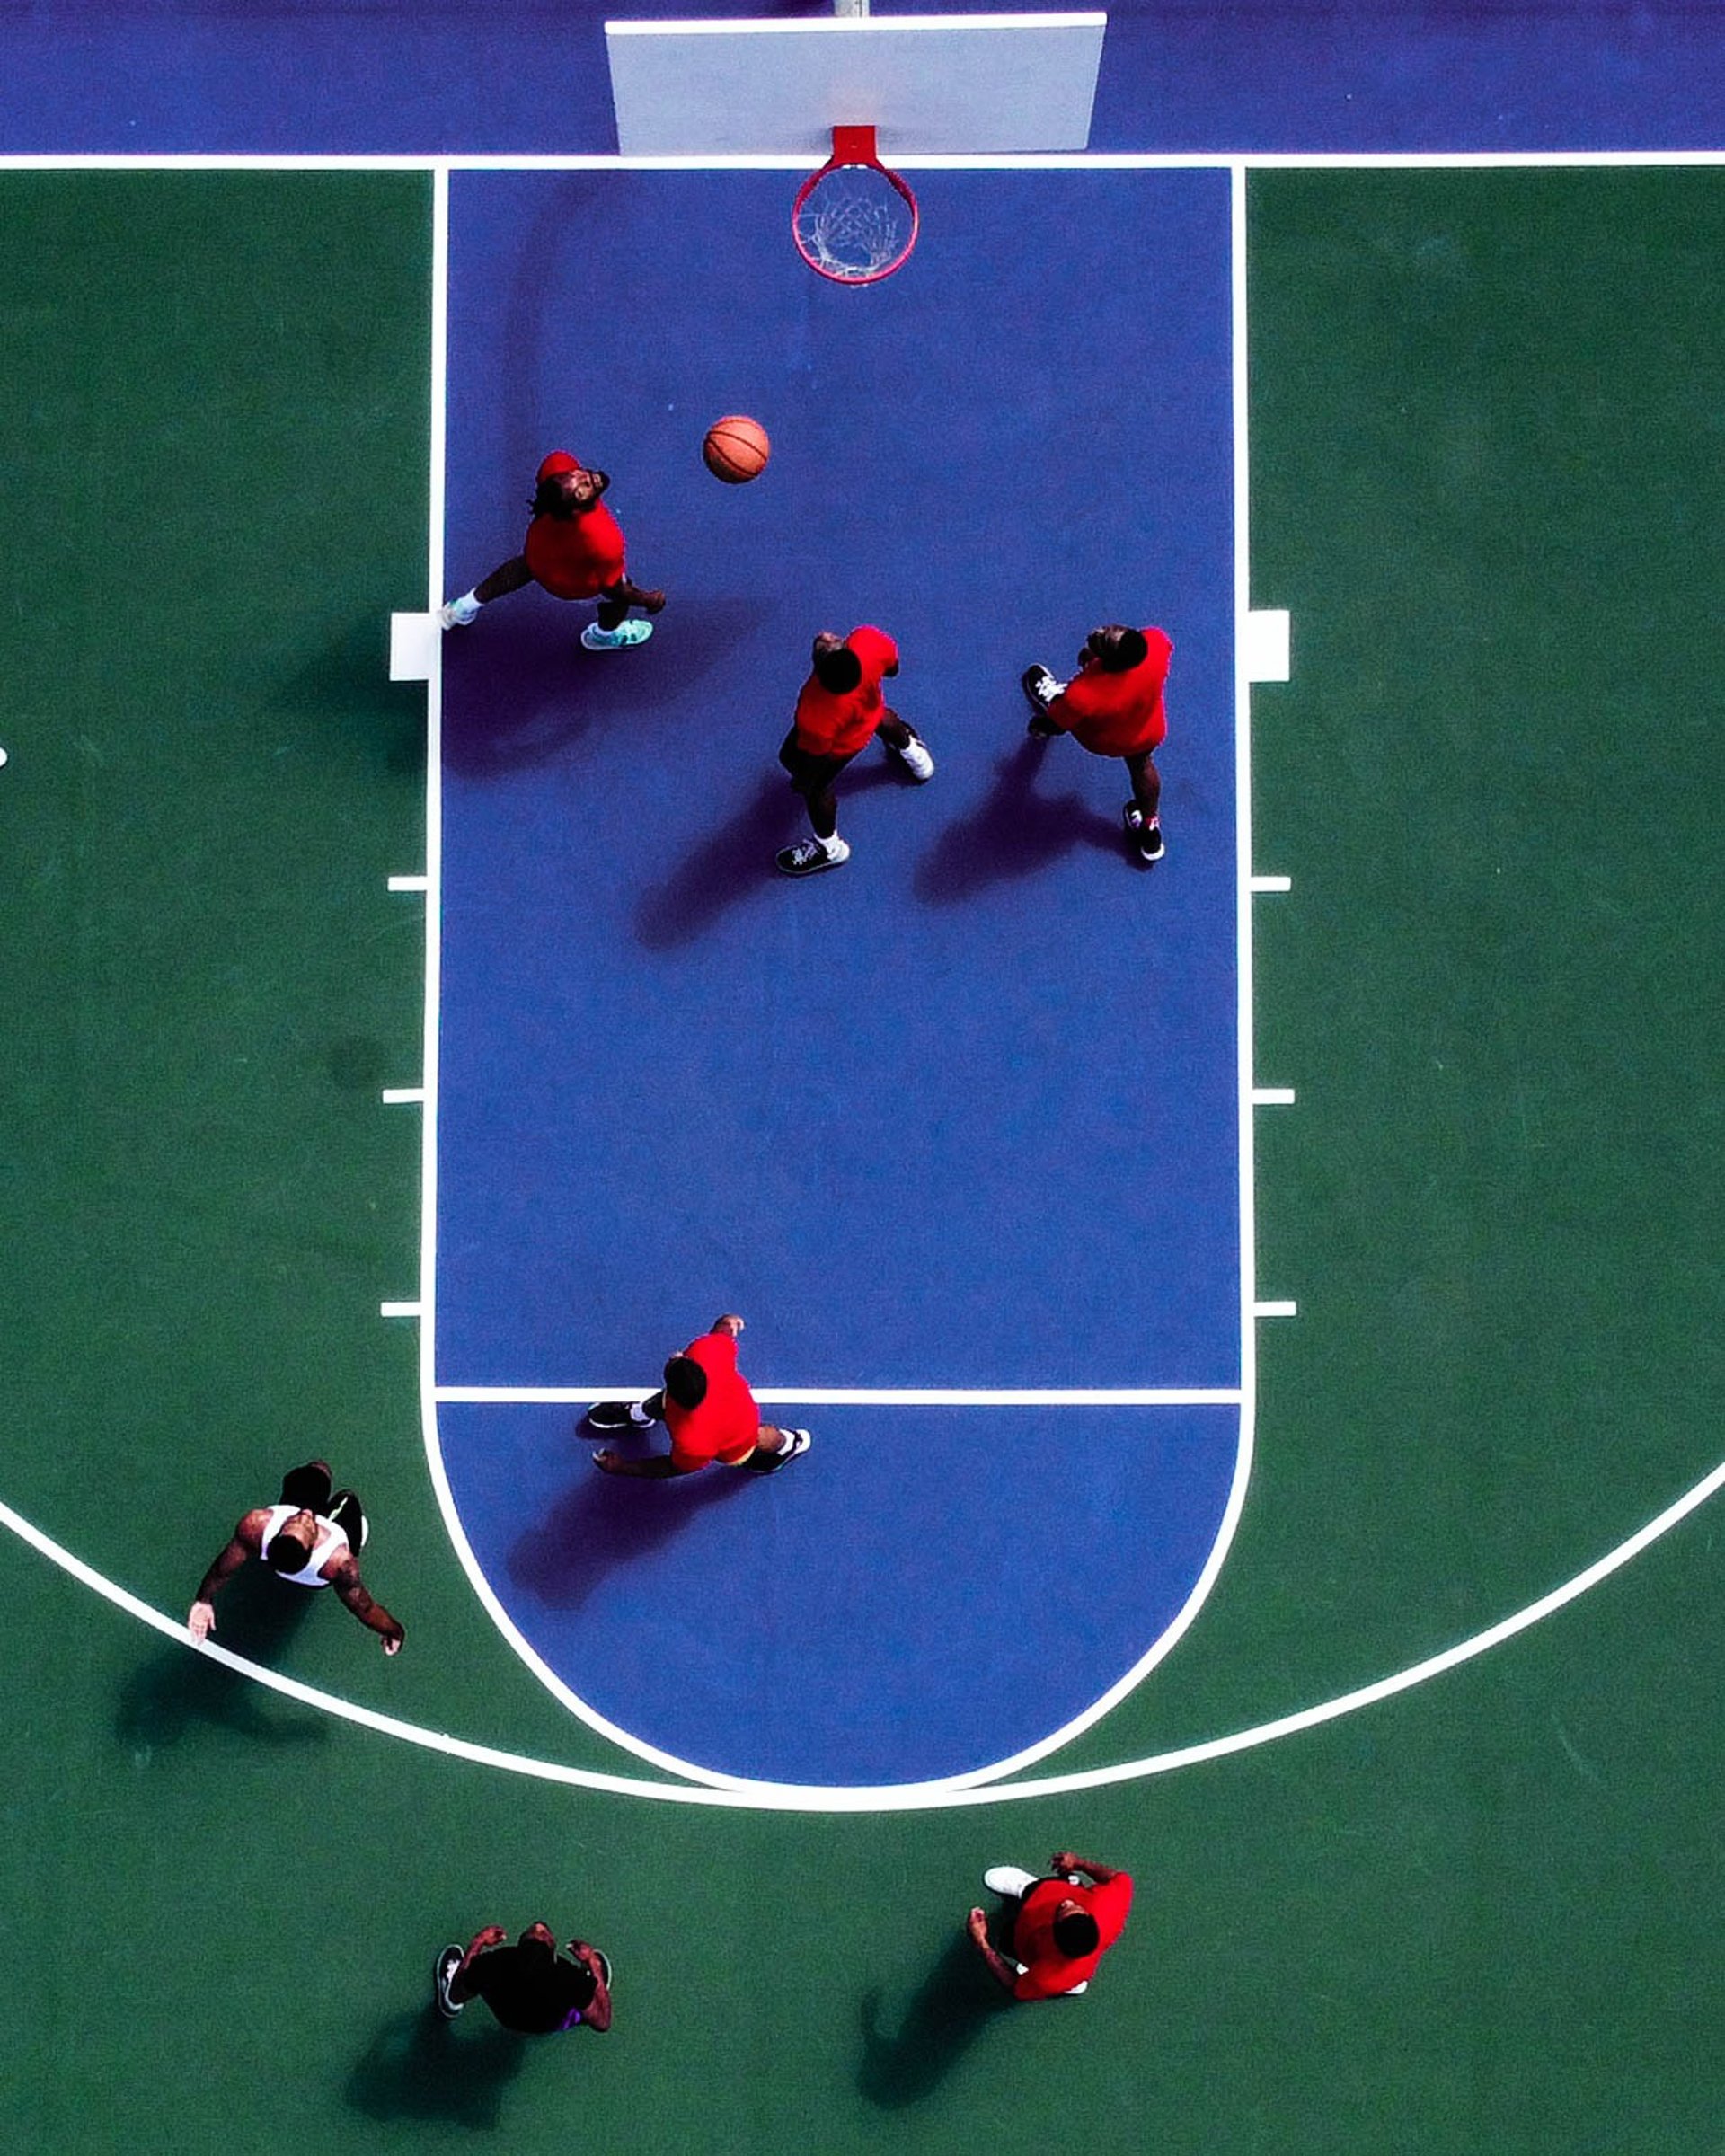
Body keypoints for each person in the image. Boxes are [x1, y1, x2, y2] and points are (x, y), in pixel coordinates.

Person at [438, 451, 667, 651]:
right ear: (574, 508)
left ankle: (461, 608)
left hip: (540, 548)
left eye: (574, 476)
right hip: (571, 583)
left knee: (525, 566)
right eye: (579, 492)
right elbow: (614, 588)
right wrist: (647, 600)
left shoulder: (556, 466)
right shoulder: (605, 538)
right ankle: (601, 637)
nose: (584, 478)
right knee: (620, 598)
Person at [186, 1459, 404, 1654]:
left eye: (295, 1522)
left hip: (283, 1562)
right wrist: (394, 1630)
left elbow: (223, 1570)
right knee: (347, 1498)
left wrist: (204, 1599)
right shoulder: (339, 1562)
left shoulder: (257, 1525)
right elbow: (363, 1607)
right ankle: (352, 1529)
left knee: (319, 1469)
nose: (305, 1515)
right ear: (311, 1546)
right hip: (323, 1561)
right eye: (305, 1526)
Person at [775, 626, 933, 877]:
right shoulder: (869, 640)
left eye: (826, 645)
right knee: (882, 717)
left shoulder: (814, 712)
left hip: (842, 746)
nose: (827, 635)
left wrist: (807, 782)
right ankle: (917, 758)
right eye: (834, 641)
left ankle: (829, 849)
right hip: (870, 711)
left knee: (812, 785)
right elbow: (893, 669)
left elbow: (817, 757)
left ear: (820, 675)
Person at [582, 1312, 810, 1479]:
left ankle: (786, 1445)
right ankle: (637, 1415)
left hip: (736, 1437)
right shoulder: (707, 1353)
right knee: (656, 1404)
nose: (677, 1355)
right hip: (736, 1410)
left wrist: (623, 1467)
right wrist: (728, 1321)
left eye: (677, 1359)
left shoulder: (692, 1441)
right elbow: (722, 1332)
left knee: (757, 1442)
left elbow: (673, 1467)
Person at [1021, 623, 1173, 863]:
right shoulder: (1157, 643)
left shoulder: (1082, 695)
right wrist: (1094, 659)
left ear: (1109, 660)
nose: (1098, 633)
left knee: (1061, 707)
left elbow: (1060, 725)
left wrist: (1042, 727)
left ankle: (1052, 697)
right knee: (1142, 766)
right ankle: (1150, 830)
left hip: (1107, 740)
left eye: (1102, 641)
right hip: (1146, 729)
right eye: (1107, 630)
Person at [966, 1851, 1133, 2001]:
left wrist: (982, 1943)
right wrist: (1079, 1863)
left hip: (1029, 1944)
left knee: (1006, 1941)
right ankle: (1025, 1886)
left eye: (1063, 1909)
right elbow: (1117, 1878)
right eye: (1077, 1907)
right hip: (1048, 1892)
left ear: (1053, 1934)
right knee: (1042, 1887)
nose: (1067, 1902)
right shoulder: (1109, 1906)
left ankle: (1071, 1984)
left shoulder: (1049, 1977)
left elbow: (1015, 1986)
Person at [435, 1922, 613, 2034]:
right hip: (551, 2023)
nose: (538, 1927)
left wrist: (478, 1942)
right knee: (585, 2000)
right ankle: (591, 1997)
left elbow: (456, 1994)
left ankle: (451, 2007)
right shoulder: (570, 1978)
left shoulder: (495, 1963)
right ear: (553, 1957)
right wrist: (593, 1963)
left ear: (518, 1948)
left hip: (507, 2019)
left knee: (472, 1980)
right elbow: (603, 2023)